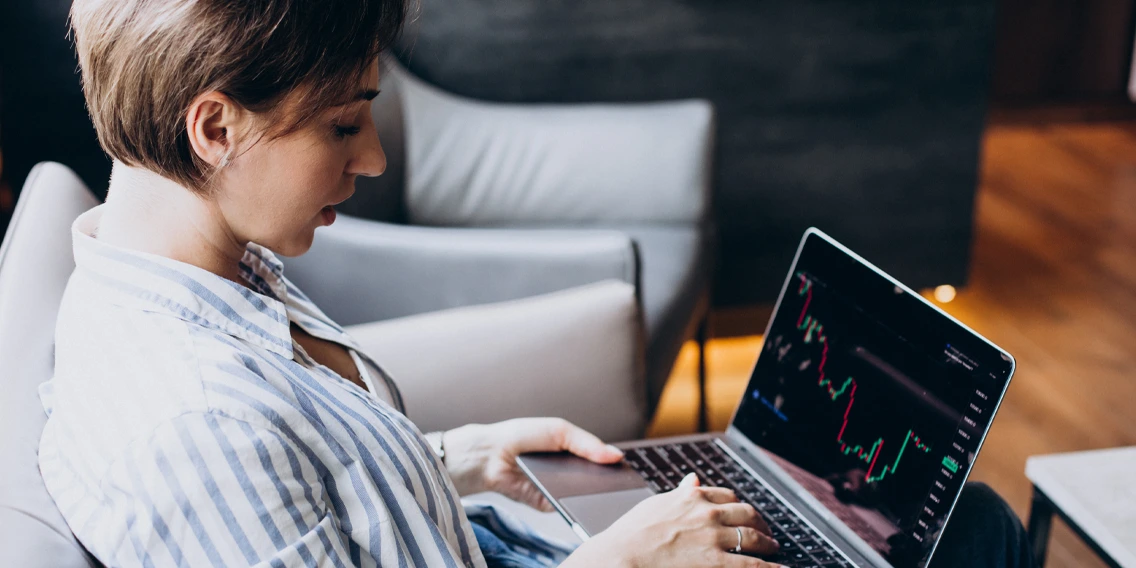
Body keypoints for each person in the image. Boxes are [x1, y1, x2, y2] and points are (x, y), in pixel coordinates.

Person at [39, 0, 1035, 567]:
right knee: (962, 529)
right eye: (342, 124)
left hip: (484, 543)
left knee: (891, 514)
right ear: (215, 127)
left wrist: (450, 459)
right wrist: (623, 561)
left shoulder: (187, 271)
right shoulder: (190, 421)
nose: (375, 158)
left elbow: (298, 492)